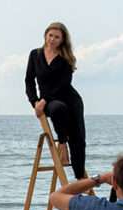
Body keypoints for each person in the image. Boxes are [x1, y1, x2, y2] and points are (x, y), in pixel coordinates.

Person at [25, 21, 86, 180]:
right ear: (45, 35)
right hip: (51, 103)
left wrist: (44, 99)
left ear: (62, 40)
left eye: (57, 37)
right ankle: (62, 145)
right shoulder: (35, 54)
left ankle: (80, 179)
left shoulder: (66, 58)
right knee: (58, 109)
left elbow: (63, 84)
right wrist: (35, 102)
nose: (52, 39)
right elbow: (29, 81)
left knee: (78, 138)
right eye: (50, 35)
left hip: (70, 99)